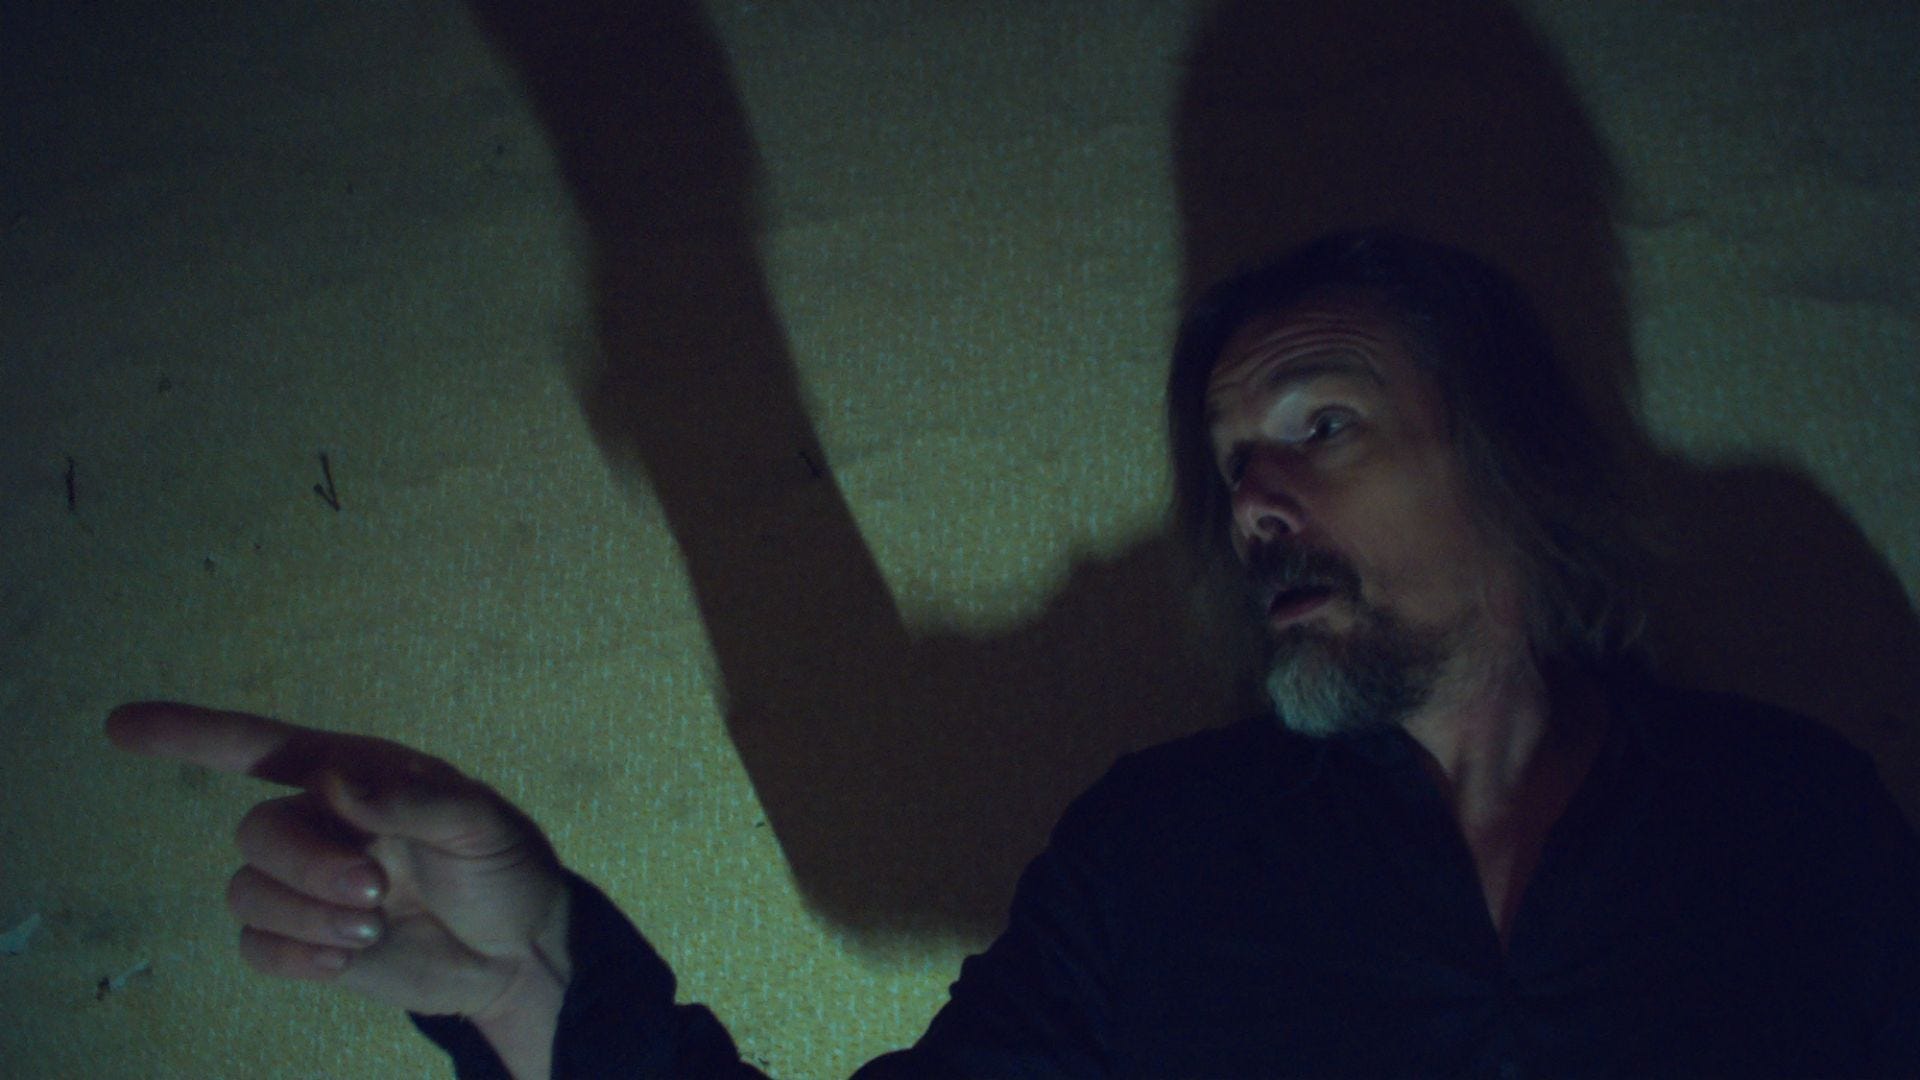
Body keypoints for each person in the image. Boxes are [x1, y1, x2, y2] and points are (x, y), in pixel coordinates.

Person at [107, 232, 1920, 1077]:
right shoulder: (1162, 860)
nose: (1256, 499)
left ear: (1510, 460)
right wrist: (531, 985)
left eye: (1323, 423)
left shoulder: (1797, 823)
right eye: (1232, 464)